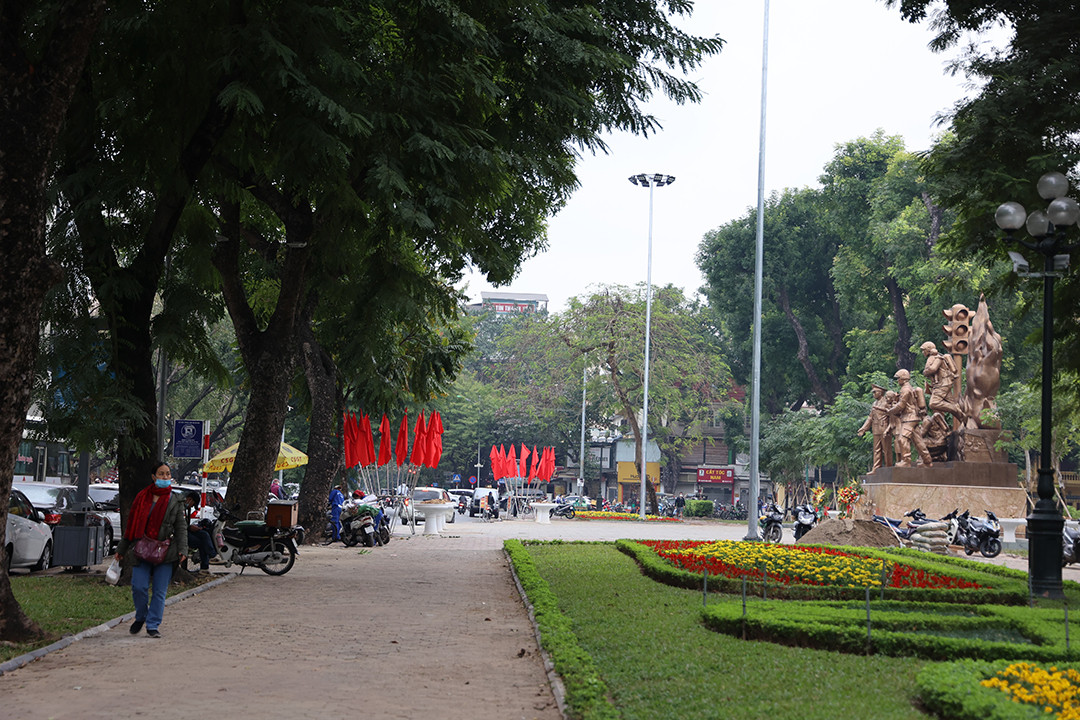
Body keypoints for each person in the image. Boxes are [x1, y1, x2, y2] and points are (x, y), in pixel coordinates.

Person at [115, 461, 188, 638]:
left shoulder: (175, 499)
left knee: (159, 591)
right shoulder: (142, 497)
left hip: (166, 550)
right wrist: (122, 549)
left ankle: (153, 625)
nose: (165, 477)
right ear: (153, 477)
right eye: (161, 474)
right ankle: (141, 616)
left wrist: (184, 549)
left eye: (168, 474)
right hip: (143, 549)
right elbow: (132, 525)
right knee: (138, 587)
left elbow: (181, 526)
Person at [888, 369, 933, 467]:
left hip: (909, 417)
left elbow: (901, 405)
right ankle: (927, 461)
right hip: (914, 417)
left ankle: (906, 461)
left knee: (902, 439)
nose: (897, 381)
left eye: (898, 378)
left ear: (903, 379)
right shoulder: (908, 388)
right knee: (918, 441)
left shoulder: (905, 389)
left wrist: (890, 411)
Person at [920, 340, 966, 425]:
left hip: (942, 384)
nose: (923, 352)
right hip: (942, 384)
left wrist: (925, 372)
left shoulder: (937, 358)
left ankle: (955, 408)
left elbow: (933, 369)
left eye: (924, 350)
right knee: (952, 403)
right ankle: (965, 421)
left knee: (933, 403)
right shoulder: (934, 357)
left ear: (929, 349)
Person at [857, 383, 895, 472]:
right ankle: (876, 468)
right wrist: (863, 428)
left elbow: (892, 415)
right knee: (876, 450)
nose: (873, 394)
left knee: (886, 450)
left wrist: (889, 429)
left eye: (875, 392)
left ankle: (888, 467)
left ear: (880, 393)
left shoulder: (886, 402)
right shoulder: (874, 403)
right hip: (876, 428)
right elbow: (870, 417)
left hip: (884, 428)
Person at [182, 492, 218, 574]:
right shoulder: (179, 508)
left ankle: (210, 557)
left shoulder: (186, 508)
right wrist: (189, 527)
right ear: (189, 500)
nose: (191, 507)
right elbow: (177, 524)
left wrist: (193, 527)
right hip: (181, 533)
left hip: (186, 530)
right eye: (192, 504)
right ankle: (211, 556)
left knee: (204, 534)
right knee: (202, 542)